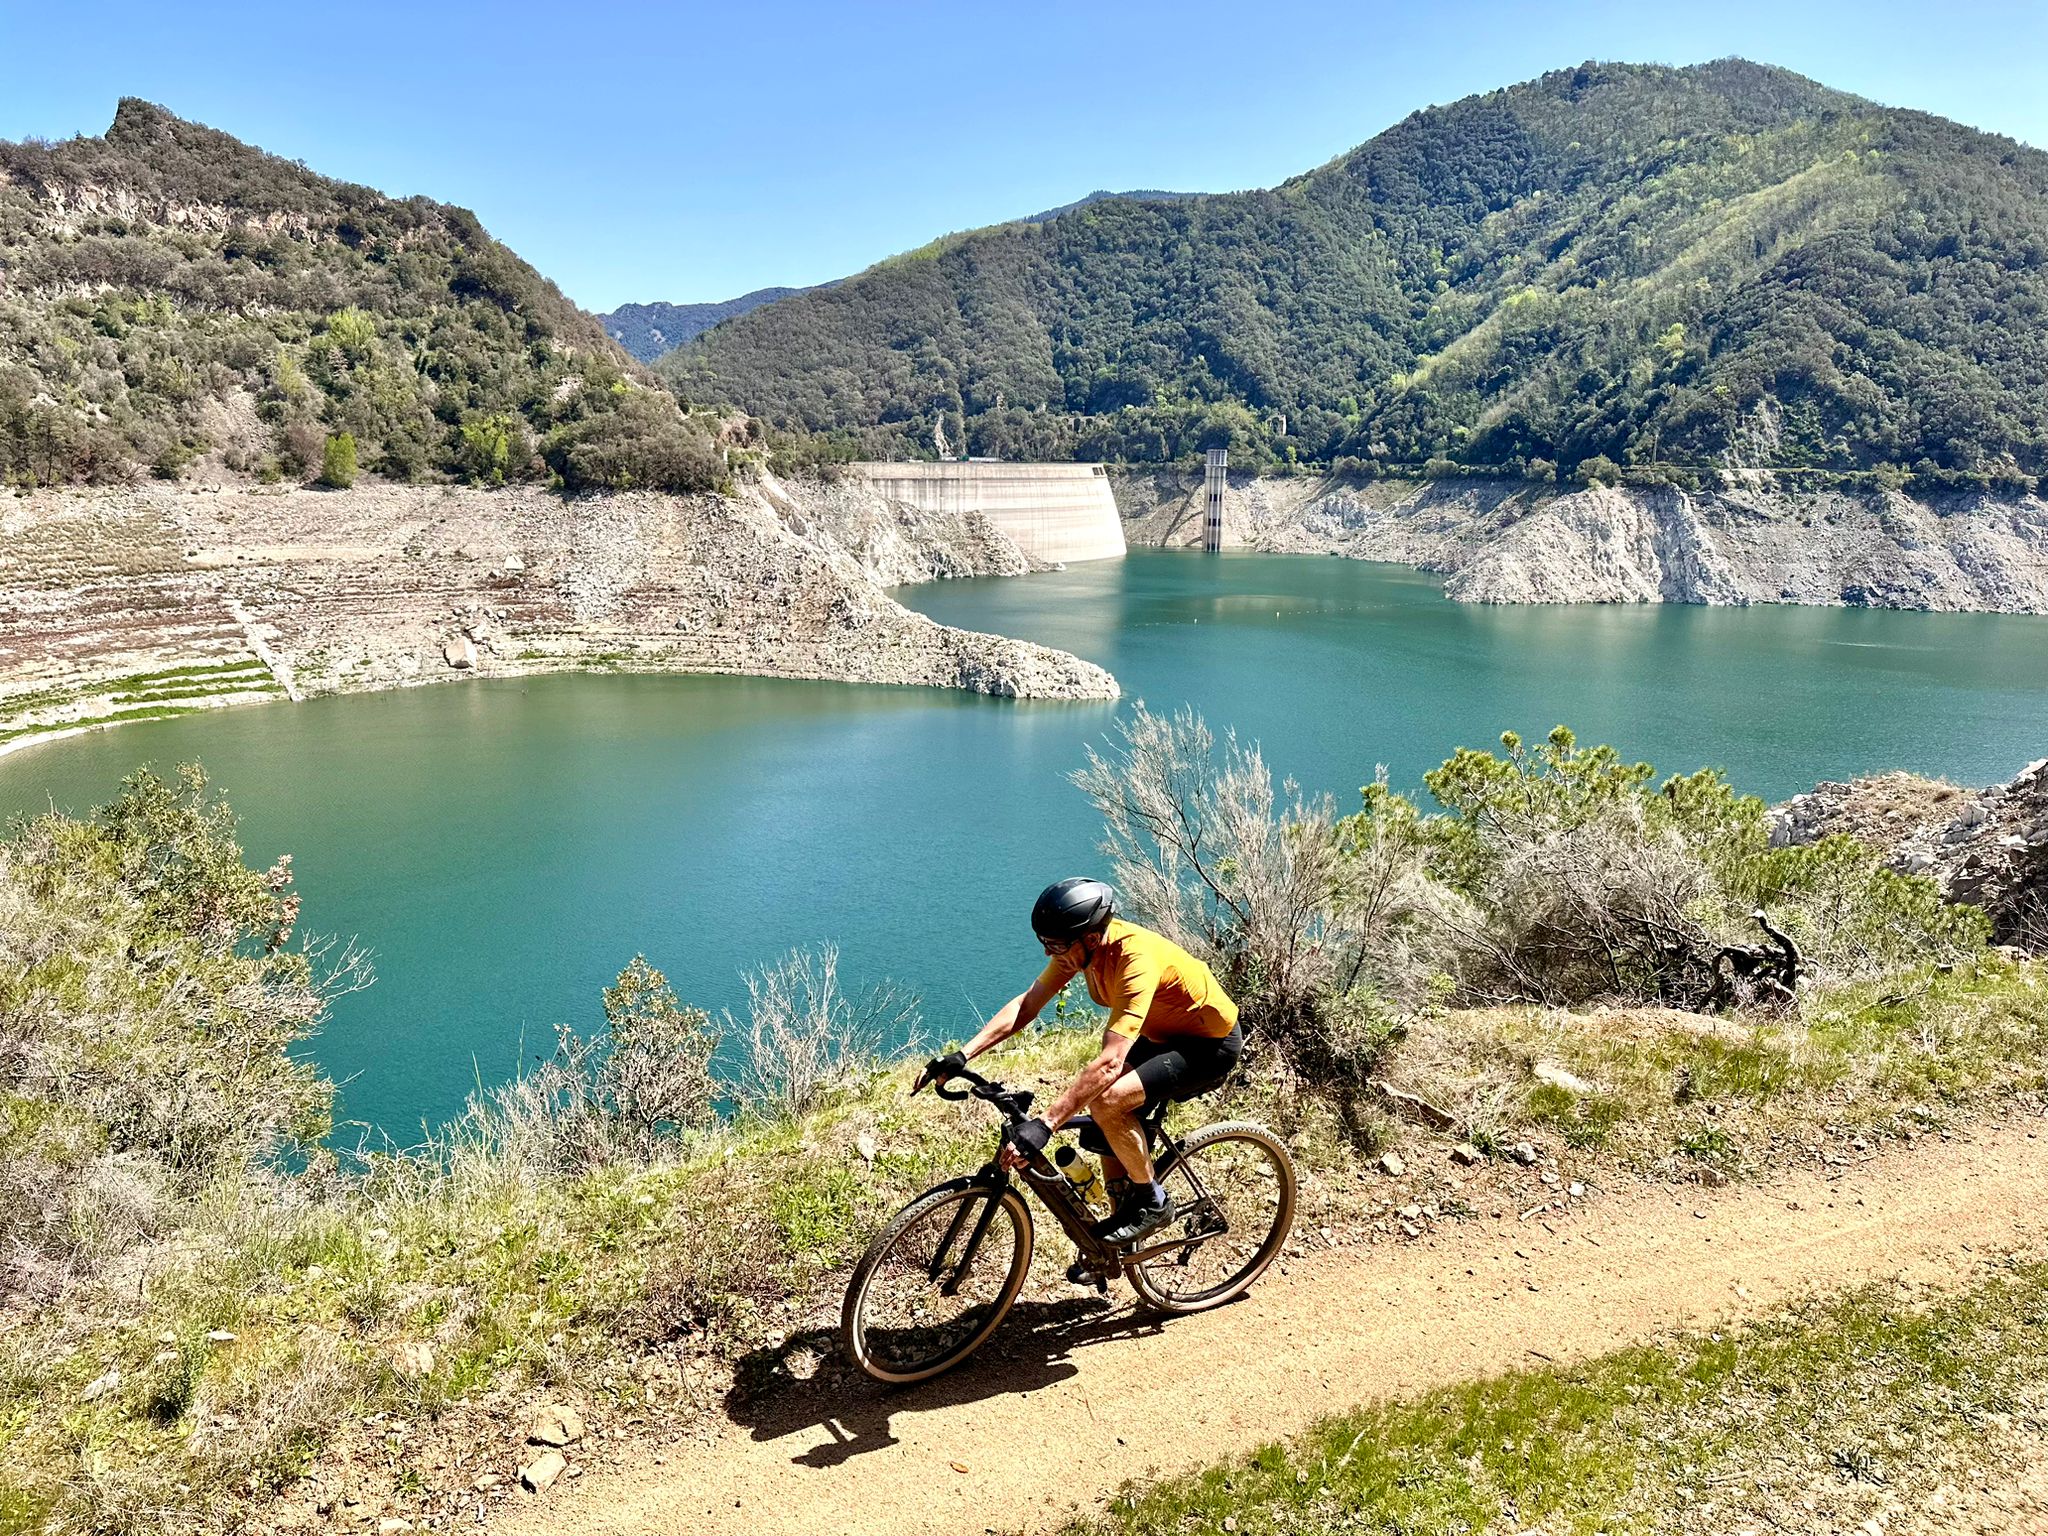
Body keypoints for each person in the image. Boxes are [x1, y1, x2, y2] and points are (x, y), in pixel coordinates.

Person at [916, 877, 1243, 1246]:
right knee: (1101, 1123)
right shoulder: (1078, 951)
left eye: (1054, 944)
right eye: (1044, 942)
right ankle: (1115, 1241)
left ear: (1090, 938)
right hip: (1158, 1038)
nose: (1047, 953)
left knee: (1107, 1099)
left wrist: (1046, 1124)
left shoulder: (1135, 959)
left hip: (1207, 1045)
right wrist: (963, 1054)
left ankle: (1154, 1202)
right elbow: (1027, 1005)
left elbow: (1109, 1062)